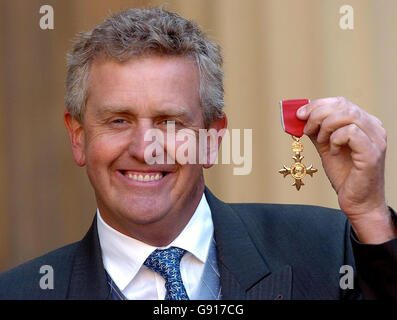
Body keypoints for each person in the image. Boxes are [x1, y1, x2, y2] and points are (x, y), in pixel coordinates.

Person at [0, 8, 396, 300]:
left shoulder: (327, 250)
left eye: (170, 122)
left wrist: (371, 215)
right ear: (78, 137)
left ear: (212, 139)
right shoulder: (21, 293)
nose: (144, 149)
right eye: (118, 120)